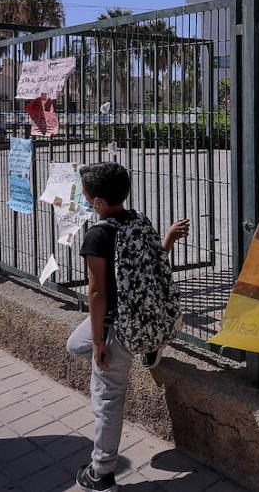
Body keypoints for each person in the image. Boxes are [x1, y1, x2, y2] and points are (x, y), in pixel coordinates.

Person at [67, 162, 188, 492]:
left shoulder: (98, 234)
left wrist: (97, 343)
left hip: (114, 327)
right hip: (141, 318)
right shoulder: (138, 221)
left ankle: (101, 472)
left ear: (97, 203)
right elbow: (152, 268)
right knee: (70, 345)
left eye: (86, 195)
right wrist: (167, 239)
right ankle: (149, 347)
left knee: (107, 398)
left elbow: (96, 293)